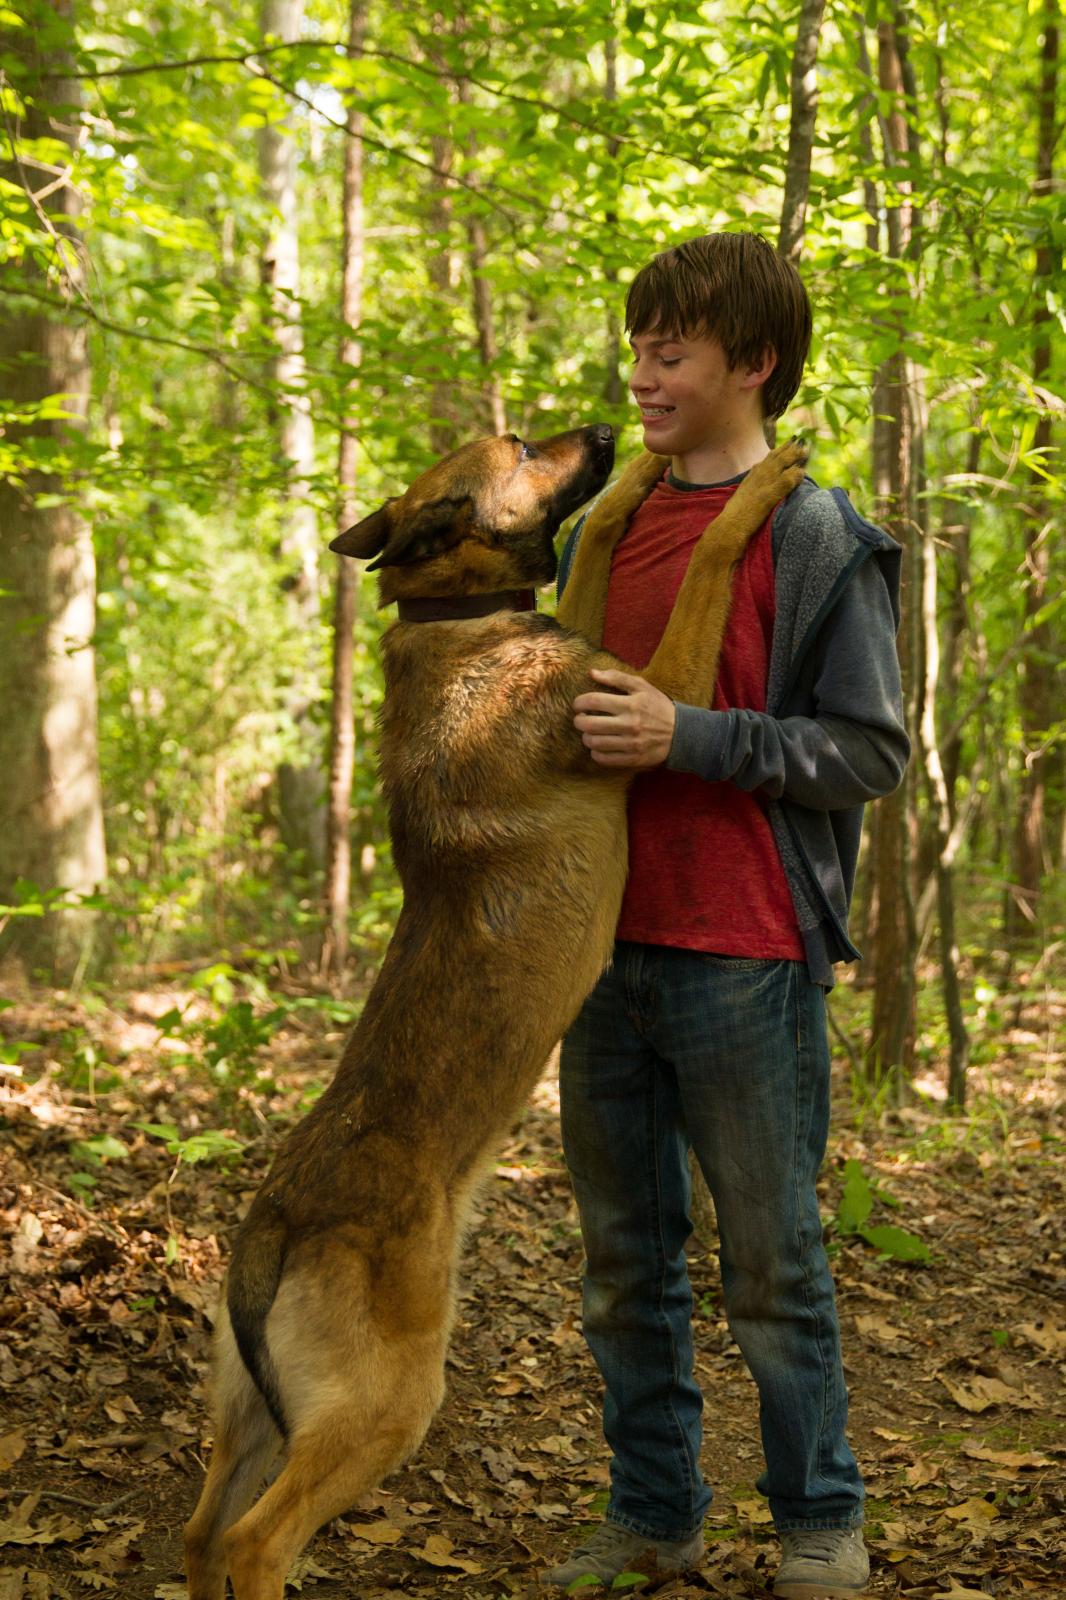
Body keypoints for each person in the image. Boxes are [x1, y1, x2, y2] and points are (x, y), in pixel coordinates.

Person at [543, 232, 909, 1600]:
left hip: (746, 956)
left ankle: (818, 1521)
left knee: (772, 1268)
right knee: (621, 1268)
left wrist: (688, 736)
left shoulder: (815, 539)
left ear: (752, 363)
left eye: (671, 352)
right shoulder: (598, 529)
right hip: (594, 951)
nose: (641, 377)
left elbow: (868, 751)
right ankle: (653, 1518)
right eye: (636, 348)